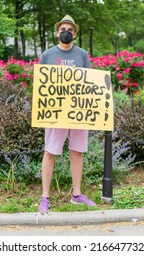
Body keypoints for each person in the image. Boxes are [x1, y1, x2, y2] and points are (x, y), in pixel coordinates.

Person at [38, 15, 97, 213]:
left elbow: (90, 80)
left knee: (77, 152)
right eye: (63, 29)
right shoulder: (47, 55)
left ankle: (77, 194)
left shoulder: (82, 55)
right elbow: (41, 85)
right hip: (55, 111)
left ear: (75, 34)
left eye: (70, 30)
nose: (66, 32)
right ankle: (45, 196)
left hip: (78, 110)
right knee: (50, 152)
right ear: (57, 32)